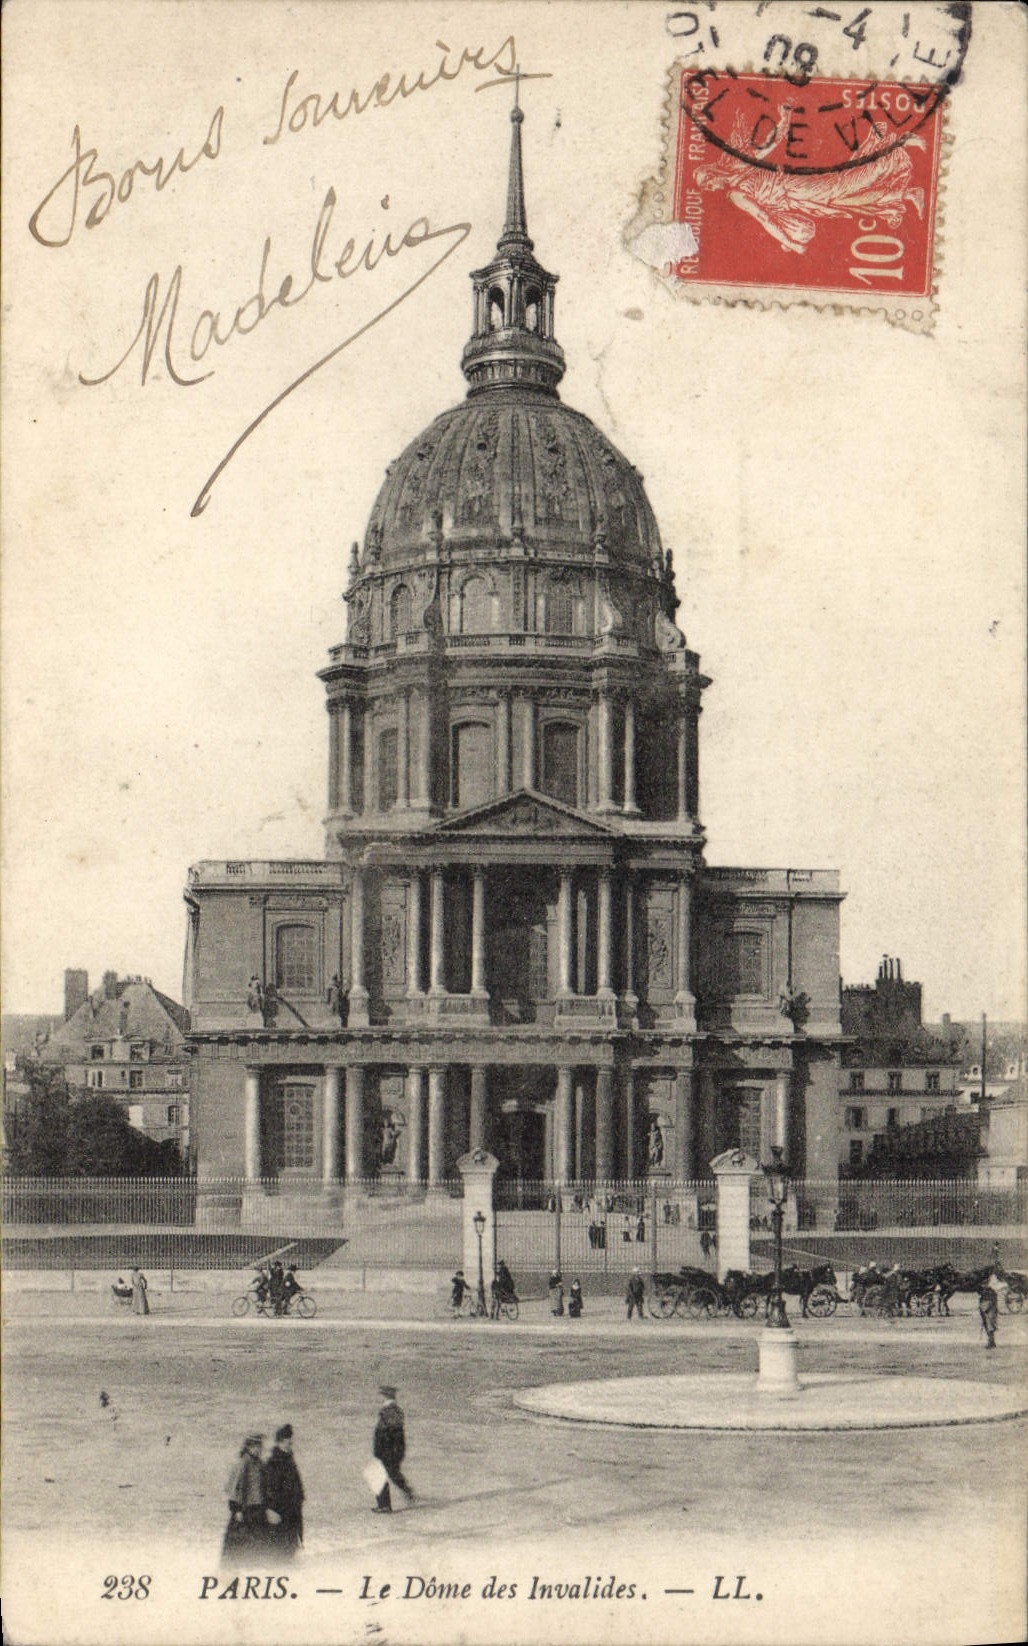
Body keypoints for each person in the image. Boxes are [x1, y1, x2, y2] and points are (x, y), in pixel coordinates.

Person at [222, 1433, 268, 1559]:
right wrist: (236, 1510)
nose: (258, 1449)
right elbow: (234, 1488)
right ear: (248, 1447)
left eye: (260, 1446)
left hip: (257, 1510)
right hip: (244, 1511)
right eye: (255, 1446)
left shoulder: (259, 1464)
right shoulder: (243, 1463)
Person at [372, 1386, 414, 1513]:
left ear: (385, 1396)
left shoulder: (389, 1410)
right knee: (392, 1472)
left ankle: (384, 1505)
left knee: (379, 1474)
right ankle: (406, 1491)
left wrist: (381, 1449)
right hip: (392, 1449)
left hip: (388, 1449)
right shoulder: (394, 1410)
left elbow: (388, 1432)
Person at [265, 1424, 304, 1555]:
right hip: (281, 1511)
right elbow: (269, 1488)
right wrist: (270, 1509)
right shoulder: (274, 1461)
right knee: (281, 1549)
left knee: (289, 1546)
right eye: (288, 1442)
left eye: (290, 1442)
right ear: (280, 1442)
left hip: (291, 1510)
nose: (290, 1445)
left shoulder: (287, 1458)